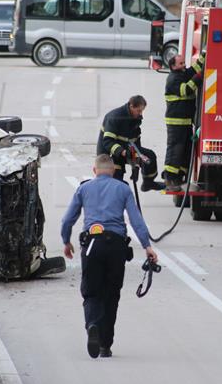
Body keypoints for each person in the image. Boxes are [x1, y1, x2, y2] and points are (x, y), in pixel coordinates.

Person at [61, 154, 158, 359]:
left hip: (92, 244)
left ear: (94, 170)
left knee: (91, 292)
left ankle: (92, 325)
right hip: (116, 245)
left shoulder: (84, 188)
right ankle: (105, 345)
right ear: (113, 171)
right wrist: (147, 246)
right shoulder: (123, 189)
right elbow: (136, 220)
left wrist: (66, 241)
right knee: (111, 294)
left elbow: (67, 219)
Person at [97, 95, 164, 191]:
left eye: (142, 111)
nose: (140, 114)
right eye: (139, 111)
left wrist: (135, 164)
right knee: (117, 179)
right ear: (131, 106)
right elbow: (107, 142)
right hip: (110, 153)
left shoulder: (136, 119)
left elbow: (135, 141)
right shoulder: (115, 117)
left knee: (149, 156)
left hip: (126, 149)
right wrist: (123, 152)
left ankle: (148, 183)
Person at [163, 51, 205, 191]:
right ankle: (170, 180)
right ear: (173, 66)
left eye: (184, 62)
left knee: (186, 151)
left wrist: (204, 56)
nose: (184, 65)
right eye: (181, 63)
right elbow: (186, 90)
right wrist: (198, 78)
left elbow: (193, 70)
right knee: (175, 151)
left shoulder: (182, 73)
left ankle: (181, 178)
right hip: (176, 123)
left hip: (185, 122)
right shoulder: (173, 79)